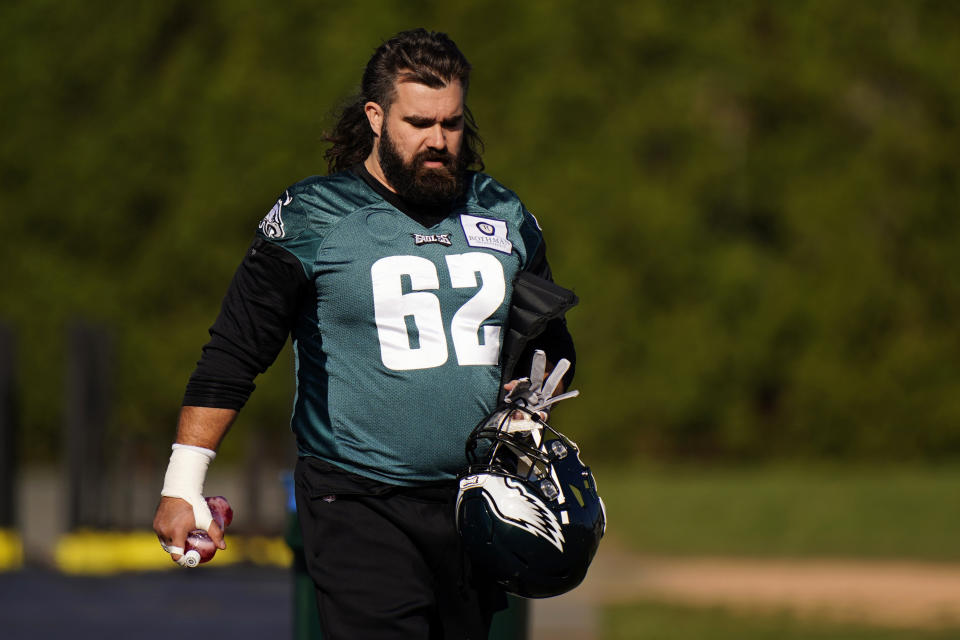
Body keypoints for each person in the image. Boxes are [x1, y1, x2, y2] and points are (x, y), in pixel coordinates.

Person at [153, 28, 577, 639]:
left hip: (476, 501)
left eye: (452, 123)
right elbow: (234, 353)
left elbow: (550, 348)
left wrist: (527, 402)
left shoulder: (503, 213)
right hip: (357, 501)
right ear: (376, 117)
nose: (438, 140)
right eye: (420, 121)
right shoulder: (312, 217)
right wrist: (183, 483)